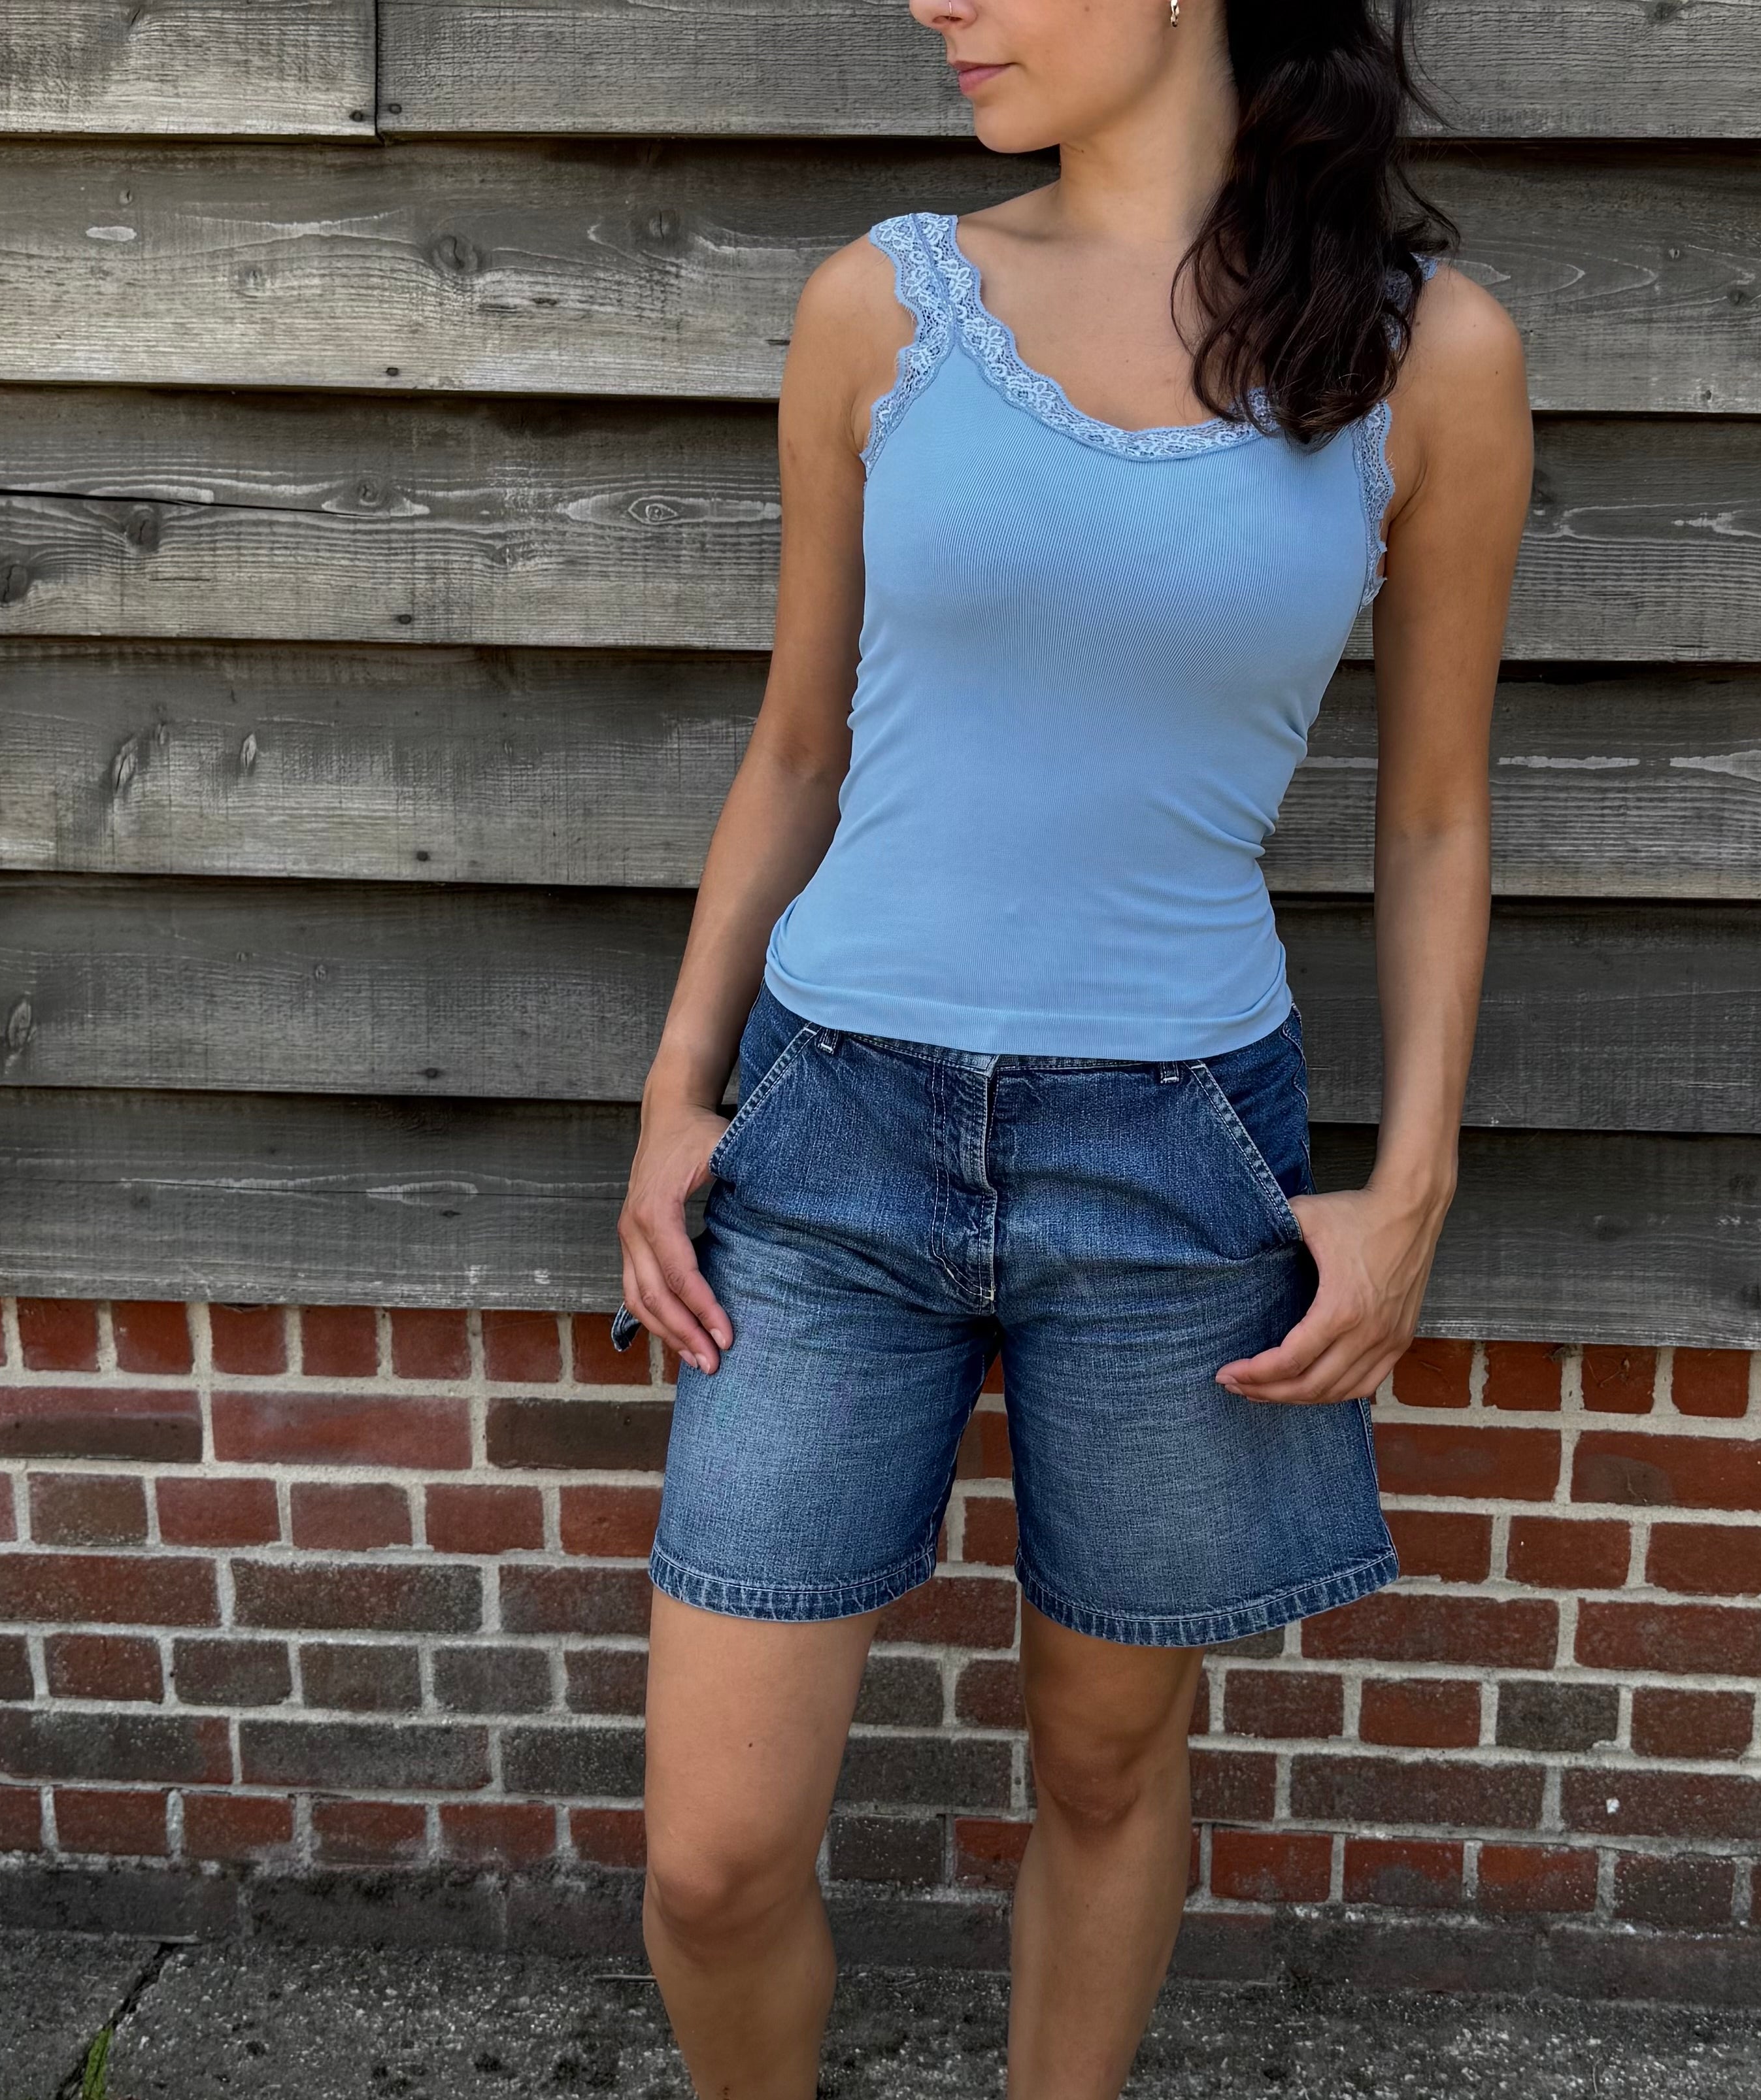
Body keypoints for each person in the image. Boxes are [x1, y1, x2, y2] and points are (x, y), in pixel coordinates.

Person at [612, 0, 1531, 2090]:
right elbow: (795, 741)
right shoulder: (885, 306)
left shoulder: (1424, 356)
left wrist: (1413, 1192)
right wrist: (679, 1091)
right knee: (714, 1858)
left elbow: (1439, 812)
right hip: (831, 1135)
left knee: (1108, 1774)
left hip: (1181, 1156)